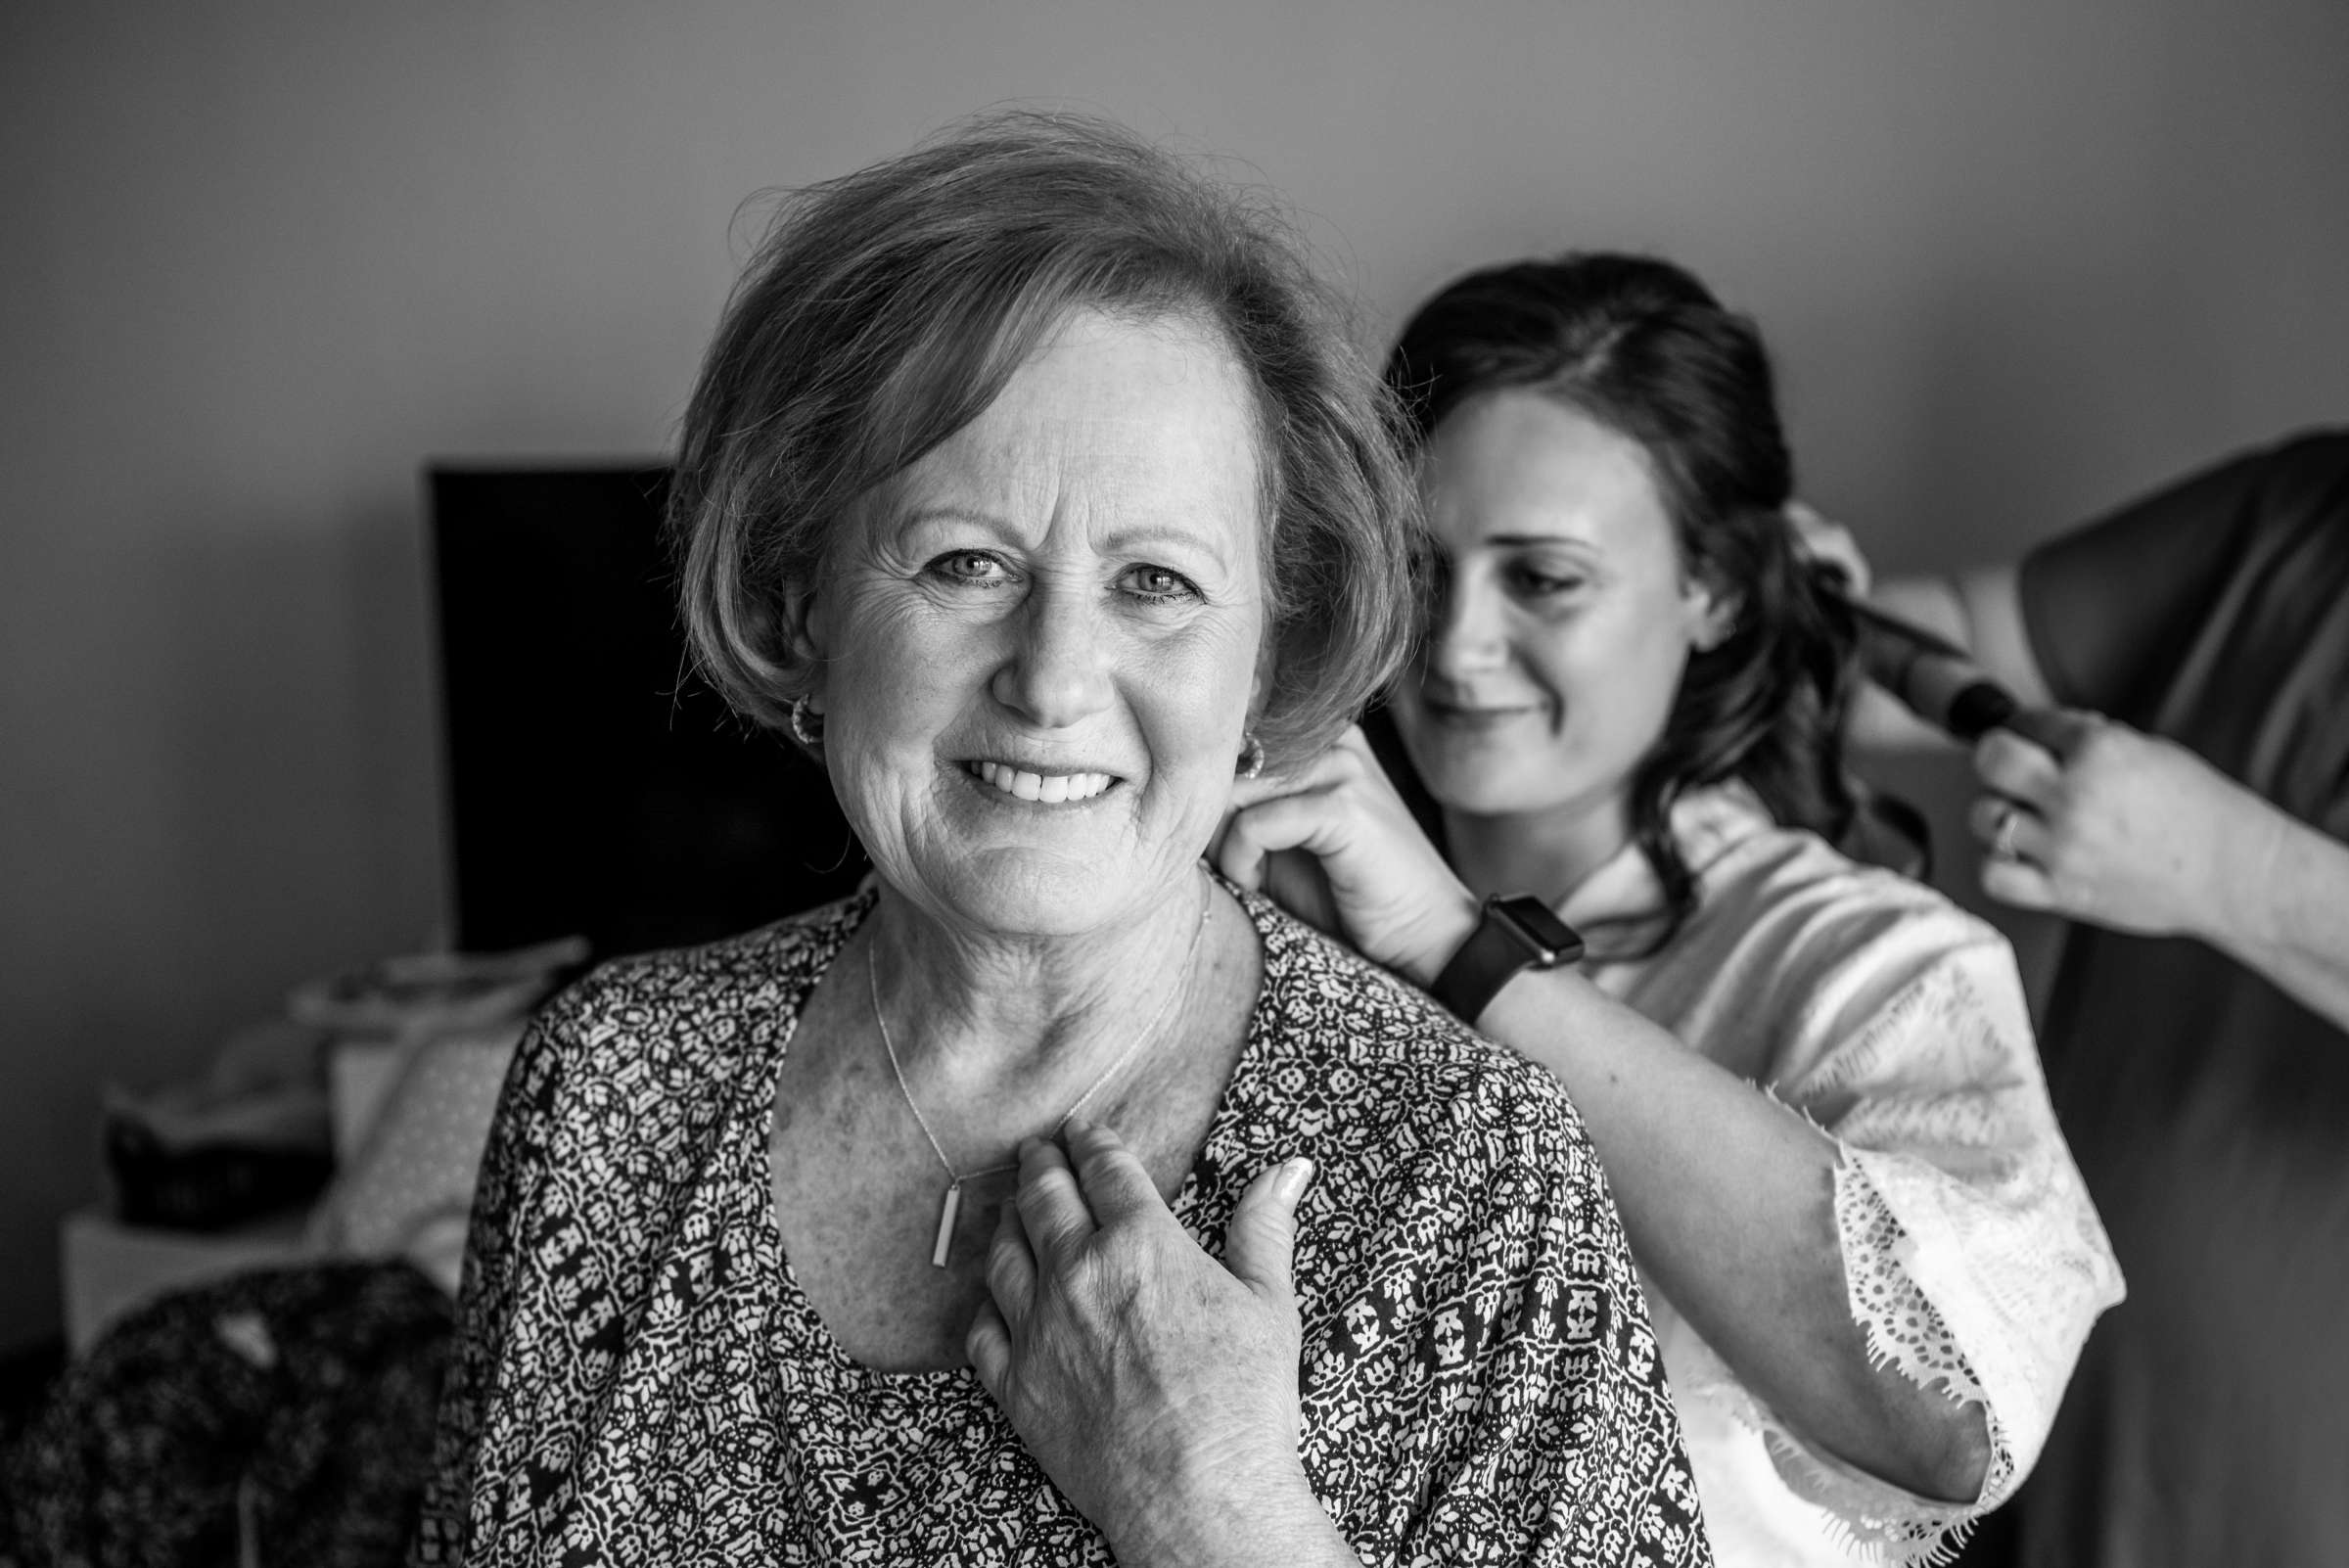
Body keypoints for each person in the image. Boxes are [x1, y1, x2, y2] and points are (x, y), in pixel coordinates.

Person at [410, 120, 1708, 1566]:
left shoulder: (1466, 1172)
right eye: (968, 562)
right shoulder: (604, 1088)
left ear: (1264, 666)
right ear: (801, 603)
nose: (1054, 677)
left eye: (1156, 580)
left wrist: (1215, 1506)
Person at [1029, 252, 2121, 1565]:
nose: (1455, 646)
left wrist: (1456, 946)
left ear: (1710, 586)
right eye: (1425, 571)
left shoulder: (1879, 968)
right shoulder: (1261, 881)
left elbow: (1955, 1422)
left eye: (1542, 578)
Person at [1835, 430, 2349, 1568]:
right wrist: (1786, 607)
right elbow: (1965, 647)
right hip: (2032, 1461)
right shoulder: (2304, 513)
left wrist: (2229, 870)